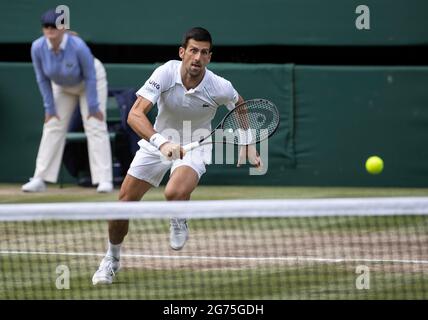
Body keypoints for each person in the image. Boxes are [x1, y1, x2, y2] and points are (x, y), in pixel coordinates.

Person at [92, 27, 262, 285]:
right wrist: (161, 143)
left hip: (196, 146)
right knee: (122, 206)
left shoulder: (218, 86)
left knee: (173, 192)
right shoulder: (165, 72)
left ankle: (179, 215)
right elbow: (135, 114)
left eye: (204, 53)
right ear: (182, 52)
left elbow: (240, 104)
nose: (197, 57)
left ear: (209, 57)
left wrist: (248, 142)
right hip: (158, 140)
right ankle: (112, 259)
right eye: (193, 50)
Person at [21, 9, 113, 193]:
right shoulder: (37, 48)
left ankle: (104, 180)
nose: (49, 30)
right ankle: (40, 178)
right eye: (46, 26)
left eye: (53, 26)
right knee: (52, 125)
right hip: (62, 86)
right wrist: (49, 108)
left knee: (95, 125)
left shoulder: (78, 46)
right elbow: (42, 79)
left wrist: (93, 107)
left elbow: (90, 77)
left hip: (90, 82)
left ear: (62, 28)